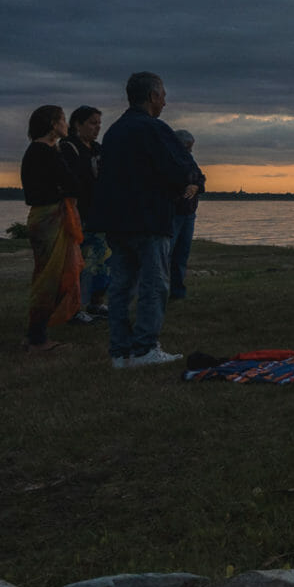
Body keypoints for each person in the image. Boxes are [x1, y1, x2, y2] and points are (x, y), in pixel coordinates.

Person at [98, 72, 201, 369]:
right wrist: (185, 183)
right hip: (148, 219)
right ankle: (144, 349)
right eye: (163, 95)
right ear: (153, 96)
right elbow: (181, 169)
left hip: (117, 220)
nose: (165, 101)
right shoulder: (154, 129)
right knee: (154, 284)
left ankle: (119, 352)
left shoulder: (114, 132)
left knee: (121, 286)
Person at [19, 104, 82, 354]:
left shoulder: (42, 151)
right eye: (63, 120)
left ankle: (37, 333)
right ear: (53, 124)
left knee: (51, 275)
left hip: (46, 216)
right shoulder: (43, 152)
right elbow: (70, 182)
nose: (67, 125)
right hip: (49, 218)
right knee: (51, 277)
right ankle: (37, 338)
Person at [58, 105, 108, 322]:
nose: (97, 128)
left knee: (102, 261)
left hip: (99, 214)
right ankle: (74, 308)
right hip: (77, 214)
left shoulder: (98, 149)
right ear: (77, 124)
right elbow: (71, 181)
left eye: (99, 124)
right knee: (76, 262)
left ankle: (96, 303)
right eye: (92, 123)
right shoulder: (68, 147)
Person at [168, 128, 206, 300]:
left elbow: (201, 178)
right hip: (174, 213)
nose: (191, 151)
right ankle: (162, 290)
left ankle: (177, 292)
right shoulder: (168, 159)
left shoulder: (189, 160)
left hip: (188, 213)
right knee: (167, 253)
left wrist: (196, 186)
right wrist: (186, 185)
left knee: (182, 254)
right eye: (188, 147)